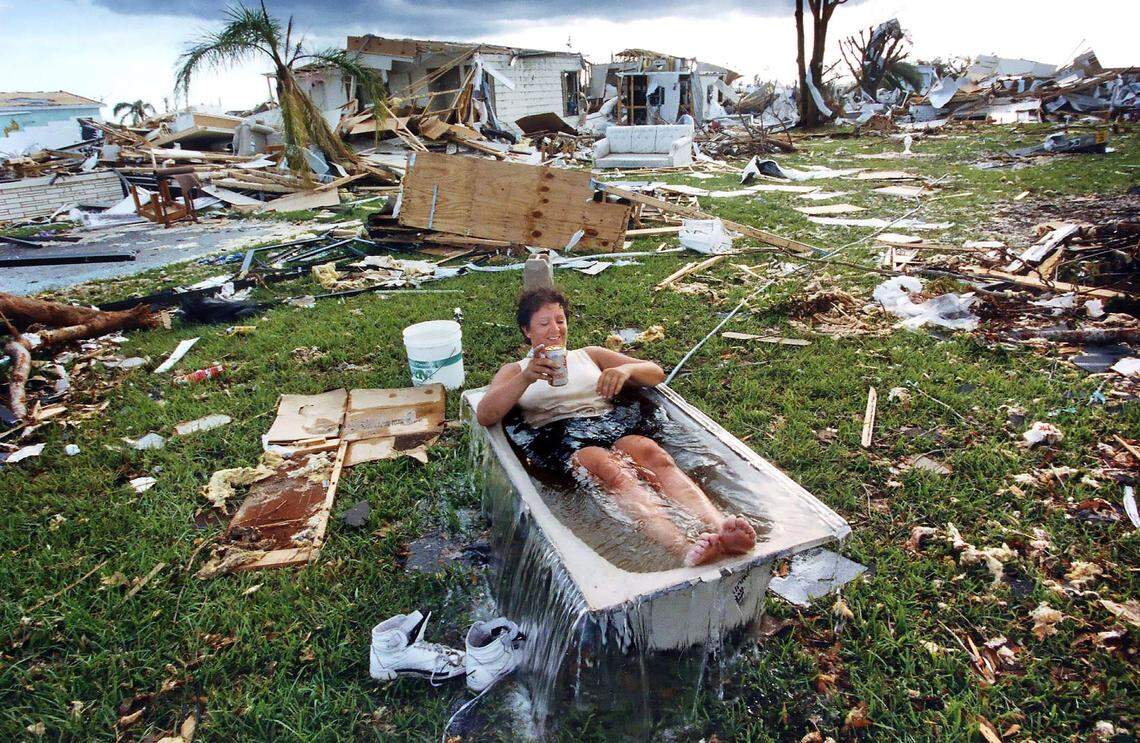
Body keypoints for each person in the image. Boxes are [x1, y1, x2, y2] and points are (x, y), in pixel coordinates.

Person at [476, 287, 756, 567]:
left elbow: (655, 373)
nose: (555, 329)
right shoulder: (515, 370)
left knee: (653, 454)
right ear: (527, 330)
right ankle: (682, 548)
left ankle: (722, 530)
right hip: (559, 435)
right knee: (612, 470)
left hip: (608, 422)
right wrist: (526, 377)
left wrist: (626, 370)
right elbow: (486, 414)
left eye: (560, 320)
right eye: (544, 323)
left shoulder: (589, 355)